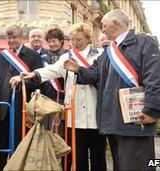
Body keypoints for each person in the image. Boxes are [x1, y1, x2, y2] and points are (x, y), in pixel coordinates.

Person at [64, 9, 160, 171]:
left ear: (115, 23)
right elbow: (95, 75)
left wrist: (152, 109)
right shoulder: (108, 53)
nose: (102, 29)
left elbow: (156, 77)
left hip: (137, 120)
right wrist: (78, 69)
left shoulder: (144, 42)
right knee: (121, 165)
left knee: (138, 165)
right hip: (113, 121)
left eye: (104, 25)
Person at [22, 23, 107, 171]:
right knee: (78, 155)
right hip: (75, 114)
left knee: (98, 154)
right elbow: (52, 70)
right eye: (72, 39)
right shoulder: (67, 56)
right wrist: (34, 74)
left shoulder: (99, 54)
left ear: (88, 38)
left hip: (96, 113)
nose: (75, 43)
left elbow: (100, 77)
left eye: (78, 39)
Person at [0, 25, 43, 170]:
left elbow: (38, 81)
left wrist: (22, 80)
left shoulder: (33, 56)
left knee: (19, 139)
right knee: (1, 140)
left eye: (14, 37)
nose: (11, 40)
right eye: (9, 37)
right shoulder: (1, 55)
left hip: (21, 105)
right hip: (1, 105)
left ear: (21, 37)